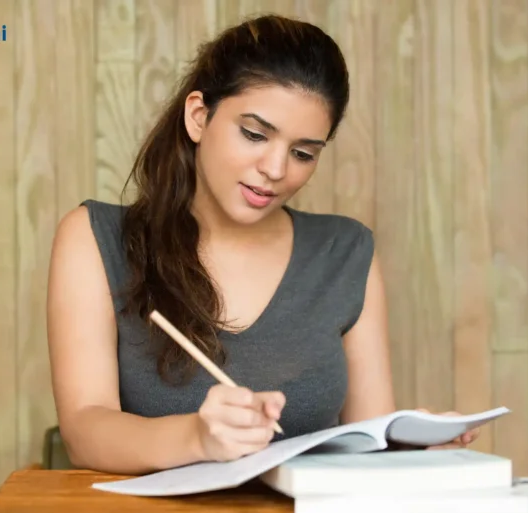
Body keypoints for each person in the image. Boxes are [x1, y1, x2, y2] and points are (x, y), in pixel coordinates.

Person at [46, 13, 479, 476]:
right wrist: (198, 437)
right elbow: (84, 431)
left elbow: (367, 440)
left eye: (303, 153)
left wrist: (412, 449)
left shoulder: (345, 252)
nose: (275, 169)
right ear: (198, 117)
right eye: (254, 134)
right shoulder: (96, 239)